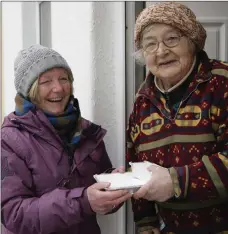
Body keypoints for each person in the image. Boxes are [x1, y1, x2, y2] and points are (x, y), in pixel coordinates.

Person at [1, 44, 132, 234]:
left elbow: (97, 191)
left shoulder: (86, 132)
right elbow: (13, 214)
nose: (58, 88)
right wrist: (83, 201)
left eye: (64, 79)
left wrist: (114, 185)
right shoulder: (10, 139)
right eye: (46, 81)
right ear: (30, 90)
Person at [126, 2, 228, 234]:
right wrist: (146, 222)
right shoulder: (142, 102)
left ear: (192, 43)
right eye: (150, 44)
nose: (161, 51)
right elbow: (137, 164)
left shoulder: (222, 83)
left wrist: (176, 182)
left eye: (172, 39)